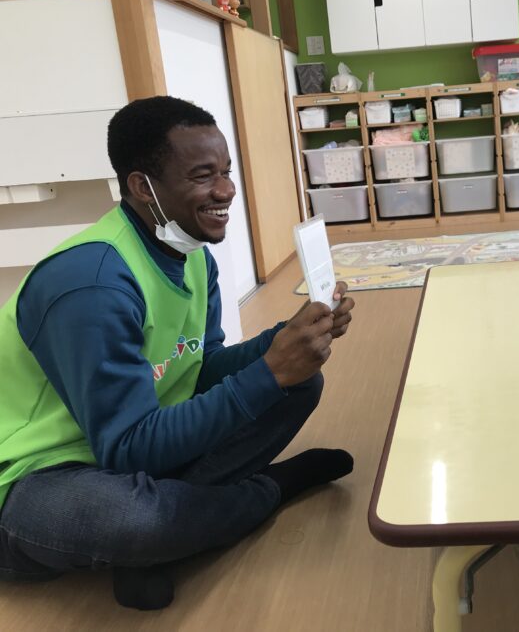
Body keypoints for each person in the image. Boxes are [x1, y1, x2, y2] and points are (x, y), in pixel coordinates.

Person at [0, 96, 355, 611]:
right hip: (34, 478)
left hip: (134, 445)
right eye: (203, 175)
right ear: (143, 187)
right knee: (137, 520)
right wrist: (269, 370)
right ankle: (269, 490)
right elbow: (128, 449)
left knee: (300, 384)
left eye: (226, 172)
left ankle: (162, 541)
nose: (226, 190)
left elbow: (200, 370)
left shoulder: (191, 256)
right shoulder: (91, 284)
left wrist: (284, 339)